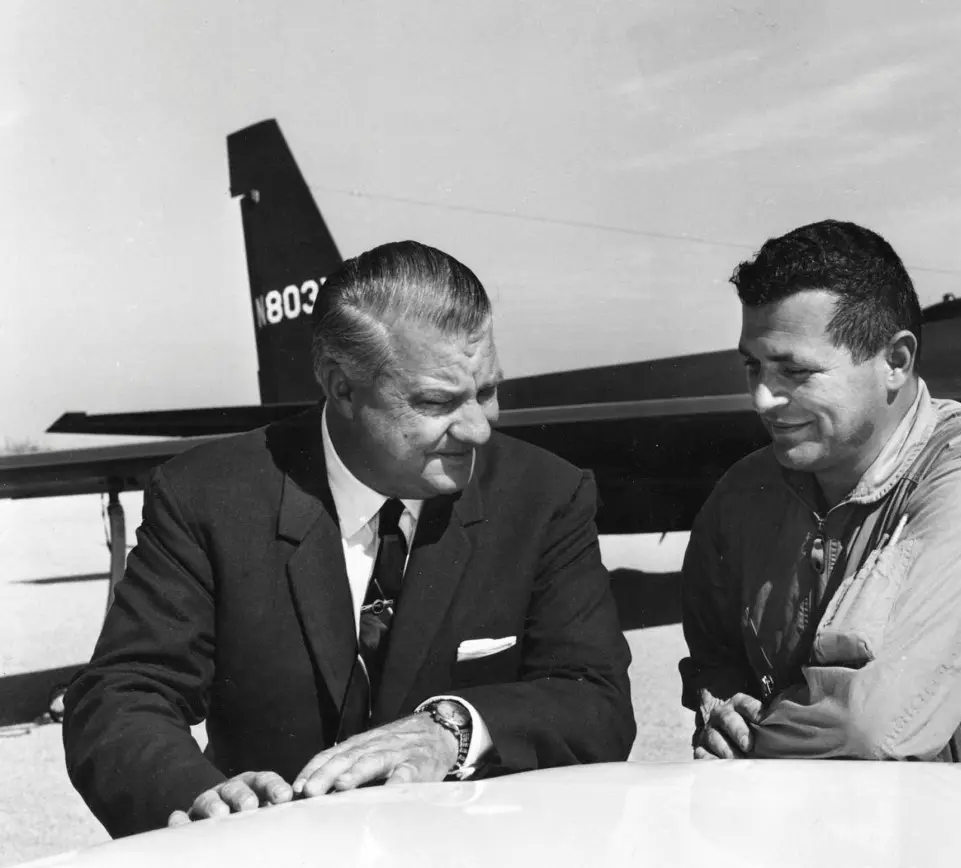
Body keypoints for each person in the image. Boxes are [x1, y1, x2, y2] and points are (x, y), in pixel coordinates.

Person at [63, 240, 636, 838]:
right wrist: (201, 800)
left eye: (487, 391)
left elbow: (596, 700)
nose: (479, 430)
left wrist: (454, 731)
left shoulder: (545, 496)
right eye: (438, 402)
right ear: (341, 388)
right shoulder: (207, 496)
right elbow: (121, 693)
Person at [679, 220, 961, 763]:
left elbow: (868, 728)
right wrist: (720, 706)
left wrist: (751, 742)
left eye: (795, 371)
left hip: (943, 835)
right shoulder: (742, 492)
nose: (761, 398)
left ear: (895, 362)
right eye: (752, 366)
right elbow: (713, 660)